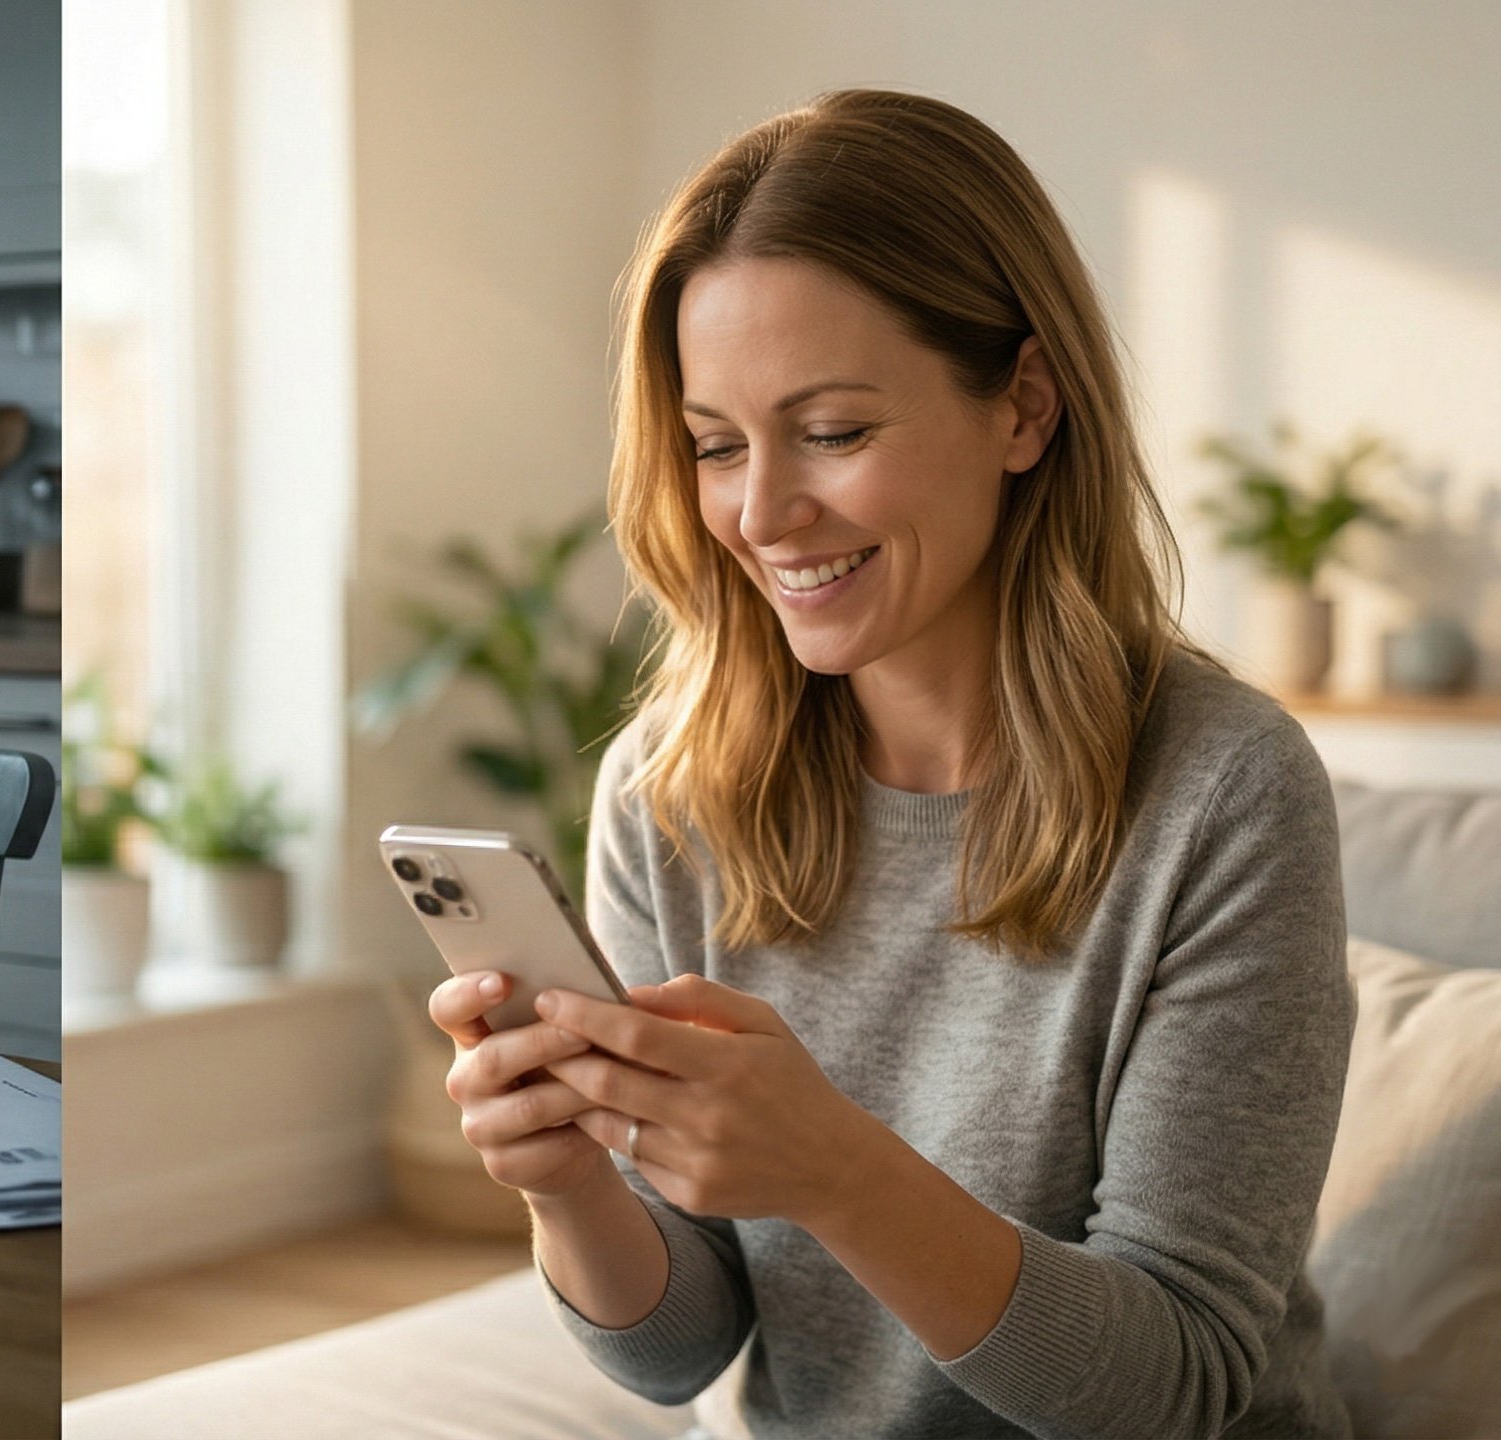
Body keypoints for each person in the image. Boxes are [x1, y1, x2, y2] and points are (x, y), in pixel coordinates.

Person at [429, 89, 1353, 1437]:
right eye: (715, 445)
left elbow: (1175, 1386)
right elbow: (675, 1356)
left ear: (1025, 407)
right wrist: (567, 1185)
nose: (761, 513)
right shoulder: (671, 788)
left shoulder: (1224, 792)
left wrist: (836, 1172)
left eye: (835, 431)